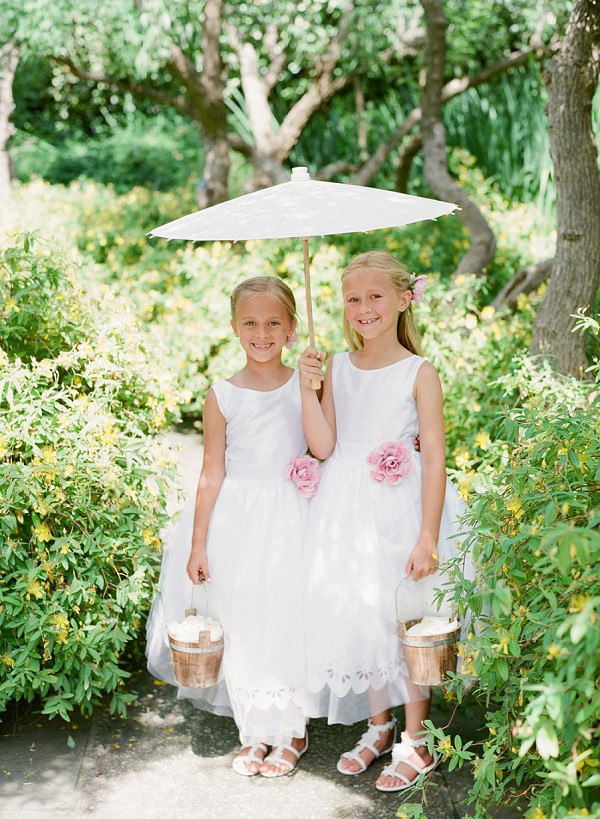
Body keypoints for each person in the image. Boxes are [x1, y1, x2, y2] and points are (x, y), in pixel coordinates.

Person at [298, 250, 471, 793]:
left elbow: (437, 458)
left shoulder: (420, 373)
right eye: (353, 298)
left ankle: (416, 743)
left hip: (400, 507)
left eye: (376, 296)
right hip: (344, 506)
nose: (364, 307)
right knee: (360, 611)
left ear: (402, 300)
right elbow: (323, 446)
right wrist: (308, 386)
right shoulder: (337, 368)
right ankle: (380, 725)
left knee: (406, 620)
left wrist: (427, 534)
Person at [146, 276, 311, 778]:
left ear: (291, 328)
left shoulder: (304, 382)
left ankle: (293, 731)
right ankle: (254, 733)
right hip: (237, 517)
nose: (262, 333)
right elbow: (212, 470)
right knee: (242, 616)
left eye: (273, 323)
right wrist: (198, 542)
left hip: (292, 512)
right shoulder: (222, 395)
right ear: (235, 328)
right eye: (251, 323)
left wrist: (312, 385)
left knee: (287, 613)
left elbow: (325, 443)